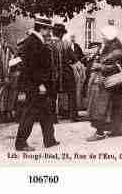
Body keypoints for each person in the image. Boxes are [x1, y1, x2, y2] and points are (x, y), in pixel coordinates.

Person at [15, 17, 59, 151]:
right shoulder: (33, 43)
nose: (50, 32)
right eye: (48, 29)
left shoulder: (35, 41)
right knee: (30, 114)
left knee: (45, 113)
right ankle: (20, 143)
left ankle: (49, 140)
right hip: (35, 86)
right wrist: (40, 84)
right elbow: (32, 67)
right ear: (42, 29)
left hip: (39, 85)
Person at [86, 25, 122, 141]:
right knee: (114, 107)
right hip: (113, 84)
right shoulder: (111, 47)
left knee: (101, 107)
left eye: (104, 36)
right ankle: (117, 130)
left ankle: (100, 132)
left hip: (110, 83)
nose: (102, 38)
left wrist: (100, 66)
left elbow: (116, 67)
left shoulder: (116, 50)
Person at [49, 23, 78, 121]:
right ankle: (73, 116)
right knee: (72, 93)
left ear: (53, 33)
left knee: (52, 95)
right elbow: (74, 59)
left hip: (53, 73)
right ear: (61, 34)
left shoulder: (48, 44)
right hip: (66, 73)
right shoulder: (66, 44)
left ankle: (53, 118)